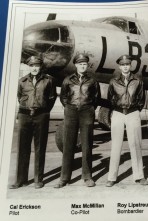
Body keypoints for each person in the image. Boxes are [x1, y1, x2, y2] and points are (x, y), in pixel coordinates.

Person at [10, 56, 57, 189]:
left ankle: (38, 179)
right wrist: (27, 108)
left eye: (37, 65)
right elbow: (20, 97)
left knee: (39, 148)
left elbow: (51, 98)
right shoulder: (22, 81)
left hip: (41, 115)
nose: (34, 68)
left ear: (41, 66)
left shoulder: (49, 80)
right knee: (22, 148)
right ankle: (20, 179)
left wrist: (43, 111)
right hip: (24, 115)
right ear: (29, 67)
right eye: (32, 66)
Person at [54, 53, 100, 188]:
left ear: (87, 65)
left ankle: (87, 176)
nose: (82, 66)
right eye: (80, 64)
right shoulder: (68, 80)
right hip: (71, 112)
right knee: (68, 145)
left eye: (85, 64)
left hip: (87, 112)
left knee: (87, 145)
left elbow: (96, 97)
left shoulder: (92, 80)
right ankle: (64, 178)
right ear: (76, 65)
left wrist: (89, 108)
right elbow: (63, 97)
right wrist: (70, 107)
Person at [105, 55, 148, 187]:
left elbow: (142, 99)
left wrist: (135, 110)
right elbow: (110, 98)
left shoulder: (138, 81)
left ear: (130, 66)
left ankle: (139, 176)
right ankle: (112, 177)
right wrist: (117, 108)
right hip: (118, 114)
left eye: (127, 64)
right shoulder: (113, 81)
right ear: (119, 66)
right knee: (116, 146)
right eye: (123, 65)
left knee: (135, 145)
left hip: (133, 113)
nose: (125, 67)